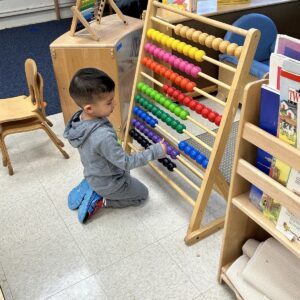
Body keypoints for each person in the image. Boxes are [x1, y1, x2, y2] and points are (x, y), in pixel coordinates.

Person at [64, 68, 166, 223]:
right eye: (109, 102)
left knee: (122, 181)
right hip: (111, 183)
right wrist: (155, 151)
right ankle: (101, 201)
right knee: (142, 195)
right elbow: (126, 163)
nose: (115, 104)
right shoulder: (102, 136)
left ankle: (92, 186)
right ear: (89, 108)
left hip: (95, 174)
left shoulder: (79, 120)